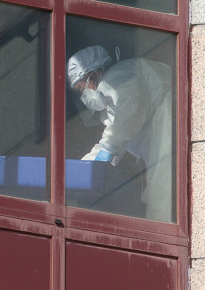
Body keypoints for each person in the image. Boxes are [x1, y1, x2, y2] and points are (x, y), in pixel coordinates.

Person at [67, 45, 174, 222]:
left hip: (169, 121)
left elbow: (126, 116)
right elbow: (112, 137)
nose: (83, 96)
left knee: (163, 190)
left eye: (81, 88)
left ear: (93, 74)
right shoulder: (113, 100)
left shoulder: (115, 78)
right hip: (162, 128)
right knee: (160, 190)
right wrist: (84, 167)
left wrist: (108, 151)